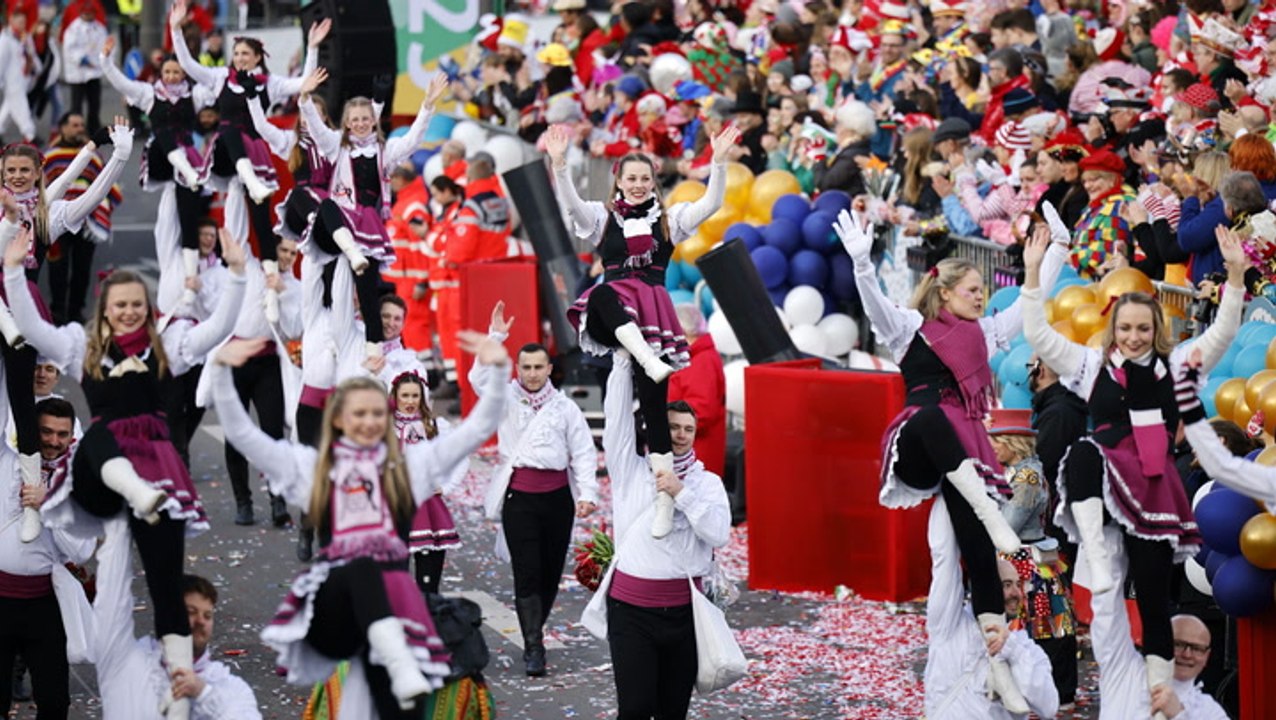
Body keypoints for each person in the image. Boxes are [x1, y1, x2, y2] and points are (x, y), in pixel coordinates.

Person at [3, 216, 248, 720]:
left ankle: (178, 693)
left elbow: (217, 330)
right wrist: (11, 273)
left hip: (158, 475)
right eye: (120, 305)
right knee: (98, 435)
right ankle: (133, 489)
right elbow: (32, 329)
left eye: (137, 304)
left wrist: (239, 276)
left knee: (165, 582)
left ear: (147, 308)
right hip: (103, 478)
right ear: (106, 310)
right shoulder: (82, 349)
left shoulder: (169, 346)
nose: (130, 312)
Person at [833, 205, 1069, 712]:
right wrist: (862, 264)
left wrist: (1057, 252)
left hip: (964, 462)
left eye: (983, 291)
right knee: (933, 418)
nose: (981, 297)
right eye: (972, 290)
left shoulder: (985, 333)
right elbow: (874, 306)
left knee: (977, 558)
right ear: (945, 293)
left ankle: (999, 668)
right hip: (919, 448)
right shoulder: (910, 329)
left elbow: (1031, 301)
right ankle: (991, 516)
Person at [210, 331, 509, 718]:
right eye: (359, 414)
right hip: (337, 613)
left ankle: (398, 667)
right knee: (364, 562)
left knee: (396, 707)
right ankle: (400, 662)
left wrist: (497, 369)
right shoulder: (314, 469)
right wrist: (221, 372)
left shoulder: (408, 468)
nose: (369, 422)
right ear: (338, 418)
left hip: (394, 611)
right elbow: (243, 435)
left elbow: (476, 431)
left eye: (377, 414)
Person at [1019, 222, 1248, 716]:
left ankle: (1161, 695)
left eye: (1143, 329)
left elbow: (1224, 332)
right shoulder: (1090, 366)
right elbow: (1037, 333)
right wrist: (1033, 273)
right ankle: (1097, 555)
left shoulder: (1179, 366)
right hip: (1106, 481)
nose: (1134, 337)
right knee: (1084, 453)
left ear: (1156, 330)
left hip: (1152, 487)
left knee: (1152, 596)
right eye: (1125, 329)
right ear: (1113, 329)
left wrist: (1234, 277)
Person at [546, 121, 740, 538]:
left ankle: (665, 502)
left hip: (651, 317)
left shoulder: (670, 219)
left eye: (644, 179)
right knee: (601, 293)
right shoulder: (603, 217)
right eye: (631, 179)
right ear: (618, 181)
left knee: (655, 409)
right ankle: (648, 358)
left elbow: (711, 203)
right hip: (614, 317)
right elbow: (572, 207)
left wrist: (719, 163)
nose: (637, 185)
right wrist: (560, 166)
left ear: (654, 182)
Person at [582, 351, 730, 720]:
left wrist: (682, 493)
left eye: (688, 429)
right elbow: (616, 422)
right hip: (631, 612)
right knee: (635, 709)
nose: (680, 435)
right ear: (657, 430)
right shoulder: (631, 471)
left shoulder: (707, 483)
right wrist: (621, 362)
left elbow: (718, 534)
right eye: (673, 427)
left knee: (672, 712)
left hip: (685, 614)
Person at [169, 1, 323, 305]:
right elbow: (188, 65)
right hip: (226, 155)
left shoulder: (269, 84)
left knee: (260, 219)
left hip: (254, 154)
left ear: (257, 58)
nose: (239, 58)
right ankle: (250, 182)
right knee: (229, 131)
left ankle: (270, 285)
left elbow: (303, 82)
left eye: (245, 54)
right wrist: (175, 29)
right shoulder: (220, 78)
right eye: (236, 53)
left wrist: (313, 47)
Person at [478, 302, 598, 676]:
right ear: (517, 369)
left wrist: (588, 494)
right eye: (525, 367)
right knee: (527, 573)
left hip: (558, 500)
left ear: (549, 369)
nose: (531, 373)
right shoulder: (504, 397)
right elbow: (478, 378)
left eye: (537, 367)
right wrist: (495, 336)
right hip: (520, 499)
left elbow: (583, 451)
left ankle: (535, 630)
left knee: (549, 574)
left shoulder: (565, 408)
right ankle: (534, 646)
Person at [295, 66, 449, 358]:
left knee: (367, 290)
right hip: (339, 222)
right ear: (346, 123)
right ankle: (329, 338)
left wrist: (427, 105)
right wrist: (304, 98)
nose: (361, 124)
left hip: (367, 224)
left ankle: (374, 348)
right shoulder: (335, 145)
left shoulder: (384, 150)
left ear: (373, 120)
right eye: (355, 120)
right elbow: (315, 127)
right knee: (327, 211)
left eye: (366, 119)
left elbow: (413, 140)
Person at [93, 518, 262, 719]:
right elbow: (111, 602)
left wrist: (202, 693)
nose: (200, 621)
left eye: (207, 615)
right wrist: (122, 523)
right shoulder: (129, 664)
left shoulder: (229, 688)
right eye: (191, 612)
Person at [99, 34, 217, 317]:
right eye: (168, 72)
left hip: (187, 162)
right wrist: (106, 60)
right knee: (164, 133)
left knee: (188, 219)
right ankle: (186, 170)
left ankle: (190, 282)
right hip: (161, 159)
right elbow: (121, 83)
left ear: (184, 74)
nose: (172, 77)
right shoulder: (150, 94)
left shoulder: (194, 95)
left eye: (177, 72)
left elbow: (216, 84)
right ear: (160, 73)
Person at [0, 396, 95, 720]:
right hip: (1, 598)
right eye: (46, 432)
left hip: (45, 604)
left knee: (54, 703)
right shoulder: (7, 462)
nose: (54, 441)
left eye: (62, 434)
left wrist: (50, 503)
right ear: (31, 432)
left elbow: (82, 551)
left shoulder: (77, 482)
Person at [923, 497, 1060, 718]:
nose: (1016, 593)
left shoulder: (1025, 647)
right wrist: (949, 490)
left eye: (1018, 584)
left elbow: (1049, 706)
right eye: (1006, 585)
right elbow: (943, 557)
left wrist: (1012, 650)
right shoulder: (950, 625)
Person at [988, 409, 1078, 707]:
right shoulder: (1020, 471)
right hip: (1029, 556)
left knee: (1042, 625)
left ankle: (1051, 692)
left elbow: (1007, 525)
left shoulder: (1026, 477)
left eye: (996, 441)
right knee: (1042, 624)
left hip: (1027, 561)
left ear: (1012, 443)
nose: (991, 447)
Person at [223, 236, 302, 526]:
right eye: (283, 250)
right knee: (235, 433)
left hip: (269, 364)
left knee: (273, 434)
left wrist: (282, 292)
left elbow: (295, 330)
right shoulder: (253, 270)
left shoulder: (295, 287)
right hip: (236, 360)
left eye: (293, 253)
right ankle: (243, 502)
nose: (287, 257)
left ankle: (277, 501)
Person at [43, 111, 124, 326]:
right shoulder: (50, 156)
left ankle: (75, 311)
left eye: (81, 125)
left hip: (88, 221)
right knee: (57, 267)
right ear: (63, 128)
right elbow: (44, 188)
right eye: (74, 125)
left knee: (82, 269)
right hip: (56, 221)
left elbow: (105, 184)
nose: (79, 128)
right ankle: (57, 311)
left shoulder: (95, 157)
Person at [392, 371, 462, 596]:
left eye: (415, 396)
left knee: (429, 587)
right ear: (395, 397)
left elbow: (461, 457)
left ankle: (428, 614)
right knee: (395, 585)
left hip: (428, 509)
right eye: (405, 395)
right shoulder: (384, 427)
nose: (410, 401)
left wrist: (447, 486)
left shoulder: (435, 425)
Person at [667, 303, 726, 477]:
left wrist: (665, 422)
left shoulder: (701, 361)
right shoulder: (697, 357)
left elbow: (700, 411)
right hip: (689, 453)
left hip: (695, 456)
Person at [61, 4, 107, 134]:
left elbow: (104, 46)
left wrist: (99, 61)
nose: (88, 16)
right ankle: (76, 129)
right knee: (77, 104)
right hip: (78, 72)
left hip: (94, 71)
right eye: (86, 13)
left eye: (90, 13)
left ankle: (93, 127)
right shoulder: (74, 29)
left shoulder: (99, 28)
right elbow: (69, 48)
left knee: (94, 103)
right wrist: (81, 59)